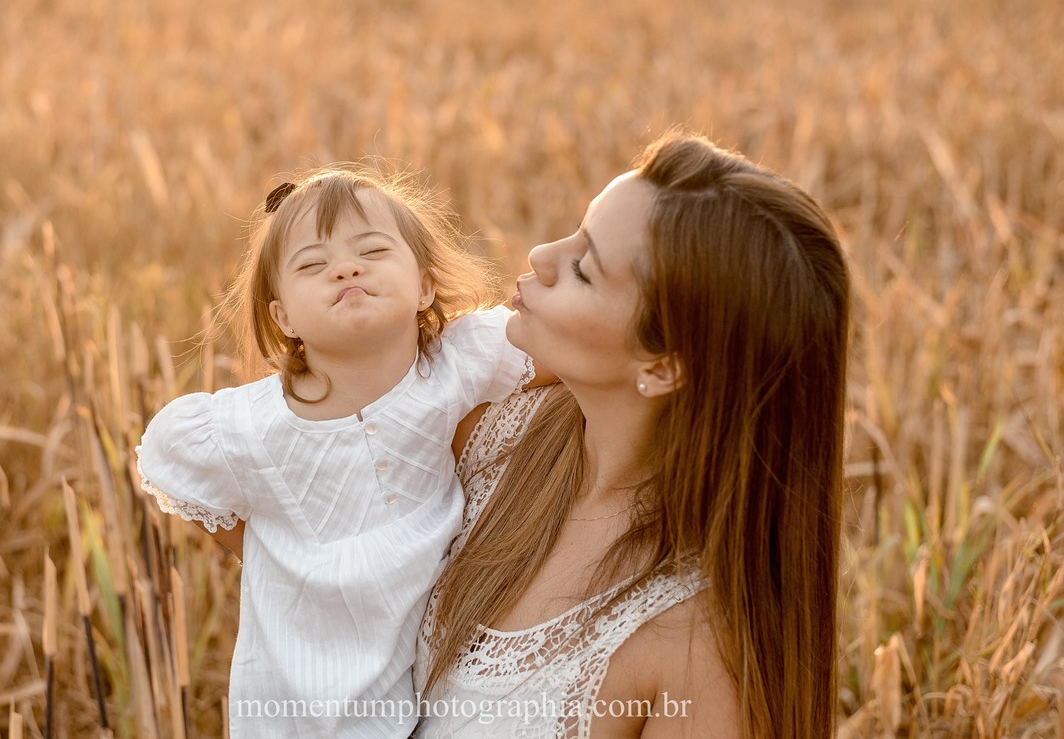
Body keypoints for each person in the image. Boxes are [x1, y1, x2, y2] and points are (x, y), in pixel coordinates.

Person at [414, 132, 850, 739]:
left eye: (584, 270)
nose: (541, 254)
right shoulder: (487, 432)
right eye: (577, 231)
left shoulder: (693, 649)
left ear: (663, 366)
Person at [135, 169, 542, 738]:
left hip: (427, 688)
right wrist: (278, 555)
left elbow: (566, 353)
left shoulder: (458, 362)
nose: (346, 269)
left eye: (372, 251)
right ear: (284, 318)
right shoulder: (253, 426)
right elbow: (172, 460)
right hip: (297, 713)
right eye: (311, 265)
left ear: (424, 286)